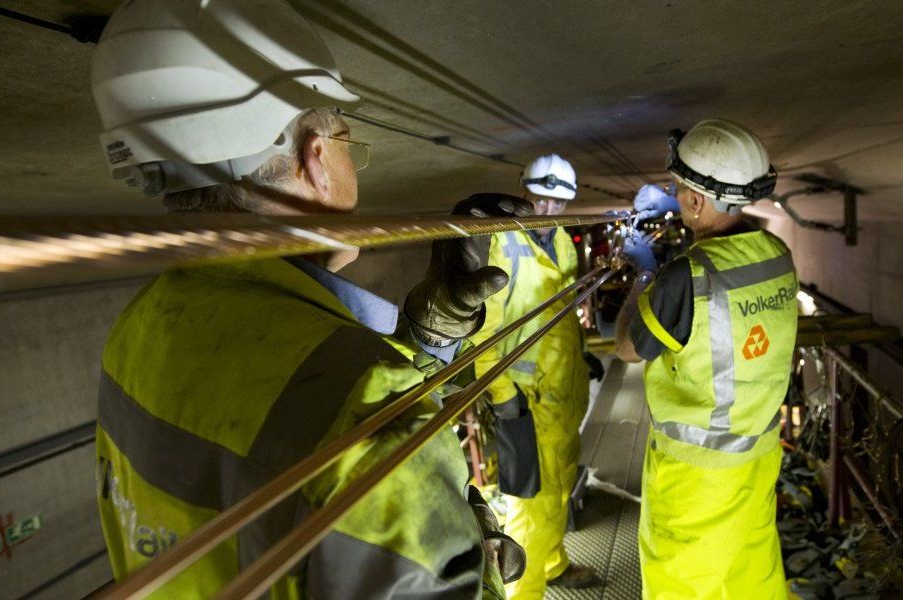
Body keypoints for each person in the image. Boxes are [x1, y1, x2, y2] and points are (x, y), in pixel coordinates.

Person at [90, 1, 527, 597]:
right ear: (315, 159)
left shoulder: (136, 331)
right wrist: (481, 558)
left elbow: (297, 424)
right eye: (345, 138)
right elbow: (345, 415)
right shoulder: (362, 413)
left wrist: (431, 337)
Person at [615, 119, 795, 599]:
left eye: (678, 190)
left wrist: (644, 274)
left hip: (695, 479)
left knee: (684, 585)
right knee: (751, 579)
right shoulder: (777, 254)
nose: (676, 197)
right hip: (756, 461)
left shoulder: (685, 278)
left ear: (695, 201)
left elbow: (627, 347)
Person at [470, 154, 598, 599]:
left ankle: (555, 564)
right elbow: (484, 332)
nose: (547, 212)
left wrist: (581, 355)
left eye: (557, 204)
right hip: (524, 399)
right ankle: (525, 592)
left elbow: (563, 310)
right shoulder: (502, 244)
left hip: (564, 392)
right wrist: (501, 394)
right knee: (531, 509)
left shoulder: (562, 239)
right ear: (524, 190)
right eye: (540, 200)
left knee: (560, 488)